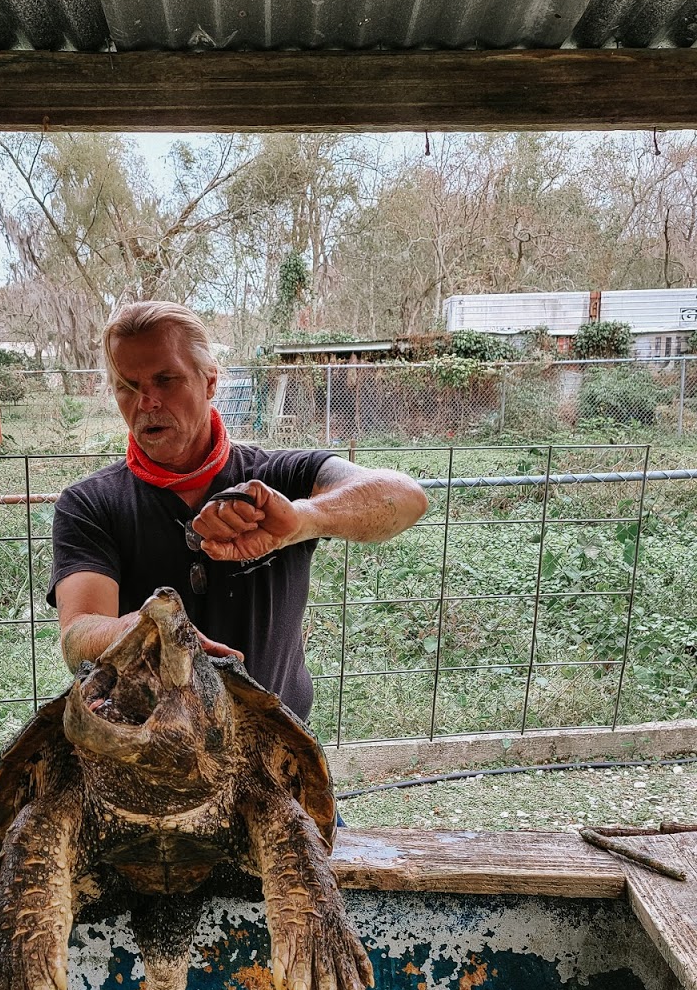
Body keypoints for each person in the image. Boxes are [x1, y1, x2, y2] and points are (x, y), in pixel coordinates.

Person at [47, 301, 428, 723]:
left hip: (275, 741)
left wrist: (300, 520)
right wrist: (147, 632)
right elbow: (77, 635)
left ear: (209, 380)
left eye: (165, 379)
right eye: (127, 385)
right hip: (147, 747)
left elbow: (406, 497)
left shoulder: (277, 479)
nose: (146, 402)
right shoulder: (90, 504)